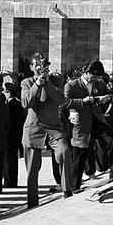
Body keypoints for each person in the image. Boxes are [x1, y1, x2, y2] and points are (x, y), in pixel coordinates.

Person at [21, 53, 74, 203]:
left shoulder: (56, 81)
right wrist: (37, 84)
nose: (40, 69)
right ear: (32, 68)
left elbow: (60, 100)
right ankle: (32, 201)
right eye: (37, 66)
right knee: (32, 169)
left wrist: (47, 83)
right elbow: (26, 103)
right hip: (33, 128)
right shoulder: (26, 82)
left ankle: (66, 189)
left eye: (43, 66)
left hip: (53, 127)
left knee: (64, 151)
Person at [63, 60, 113, 190]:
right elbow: (64, 103)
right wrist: (83, 101)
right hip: (81, 124)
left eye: (97, 77)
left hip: (96, 121)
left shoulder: (99, 83)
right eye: (93, 77)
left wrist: (108, 98)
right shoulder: (72, 85)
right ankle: (74, 186)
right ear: (86, 73)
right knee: (79, 155)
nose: (95, 80)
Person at [2, 82, 25, 188]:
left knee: (9, 159)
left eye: (5, 92)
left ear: (9, 93)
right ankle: (12, 180)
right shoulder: (18, 104)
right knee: (13, 159)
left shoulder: (11, 105)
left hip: (10, 135)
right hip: (17, 135)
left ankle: (9, 181)